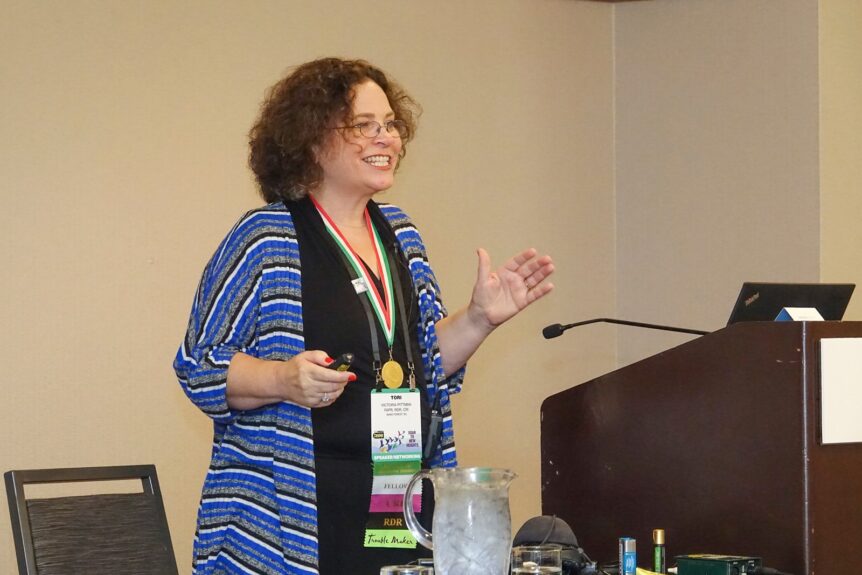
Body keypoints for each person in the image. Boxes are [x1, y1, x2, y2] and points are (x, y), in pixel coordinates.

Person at [175, 57, 555, 575]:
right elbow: (199, 367)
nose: (386, 138)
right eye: (363, 125)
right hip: (297, 515)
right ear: (311, 140)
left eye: (391, 124)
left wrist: (479, 319)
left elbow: (425, 364)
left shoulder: (401, 234)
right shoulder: (264, 237)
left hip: (399, 497)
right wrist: (283, 379)